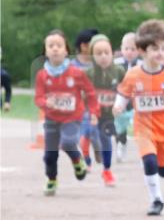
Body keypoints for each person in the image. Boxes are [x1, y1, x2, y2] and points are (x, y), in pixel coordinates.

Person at [113, 19, 164, 216]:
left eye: (163, 49)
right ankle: (156, 200)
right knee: (149, 162)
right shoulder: (133, 75)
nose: (160, 53)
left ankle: (162, 169)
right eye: (155, 48)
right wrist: (119, 105)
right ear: (142, 51)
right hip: (144, 127)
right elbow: (123, 93)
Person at [34, 29, 98, 195]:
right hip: (51, 119)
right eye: (51, 46)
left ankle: (77, 160)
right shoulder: (42, 75)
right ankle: (52, 179)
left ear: (66, 50)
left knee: (68, 142)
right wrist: (45, 102)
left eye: (59, 45)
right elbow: (38, 98)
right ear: (46, 51)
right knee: (49, 155)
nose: (55, 48)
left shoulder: (76, 73)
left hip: (72, 117)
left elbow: (91, 93)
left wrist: (93, 112)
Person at [86, 35, 126, 187]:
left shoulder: (119, 71)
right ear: (92, 56)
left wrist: (122, 104)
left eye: (106, 52)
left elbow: (127, 90)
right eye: (98, 53)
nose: (103, 56)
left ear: (112, 53)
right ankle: (86, 158)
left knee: (106, 140)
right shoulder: (88, 74)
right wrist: (91, 112)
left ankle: (107, 170)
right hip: (91, 114)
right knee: (90, 134)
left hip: (108, 115)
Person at [71, 28, 99, 169]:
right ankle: (85, 158)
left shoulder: (99, 63)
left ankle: (95, 153)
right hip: (80, 108)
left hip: (98, 106)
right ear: (84, 45)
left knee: (95, 134)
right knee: (85, 132)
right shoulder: (72, 66)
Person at [113, 32, 140, 161]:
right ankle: (121, 143)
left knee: (140, 126)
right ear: (121, 49)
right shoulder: (115, 64)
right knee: (120, 126)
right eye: (126, 49)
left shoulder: (142, 65)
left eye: (133, 49)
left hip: (138, 101)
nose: (129, 52)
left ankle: (145, 151)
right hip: (121, 101)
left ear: (139, 50)